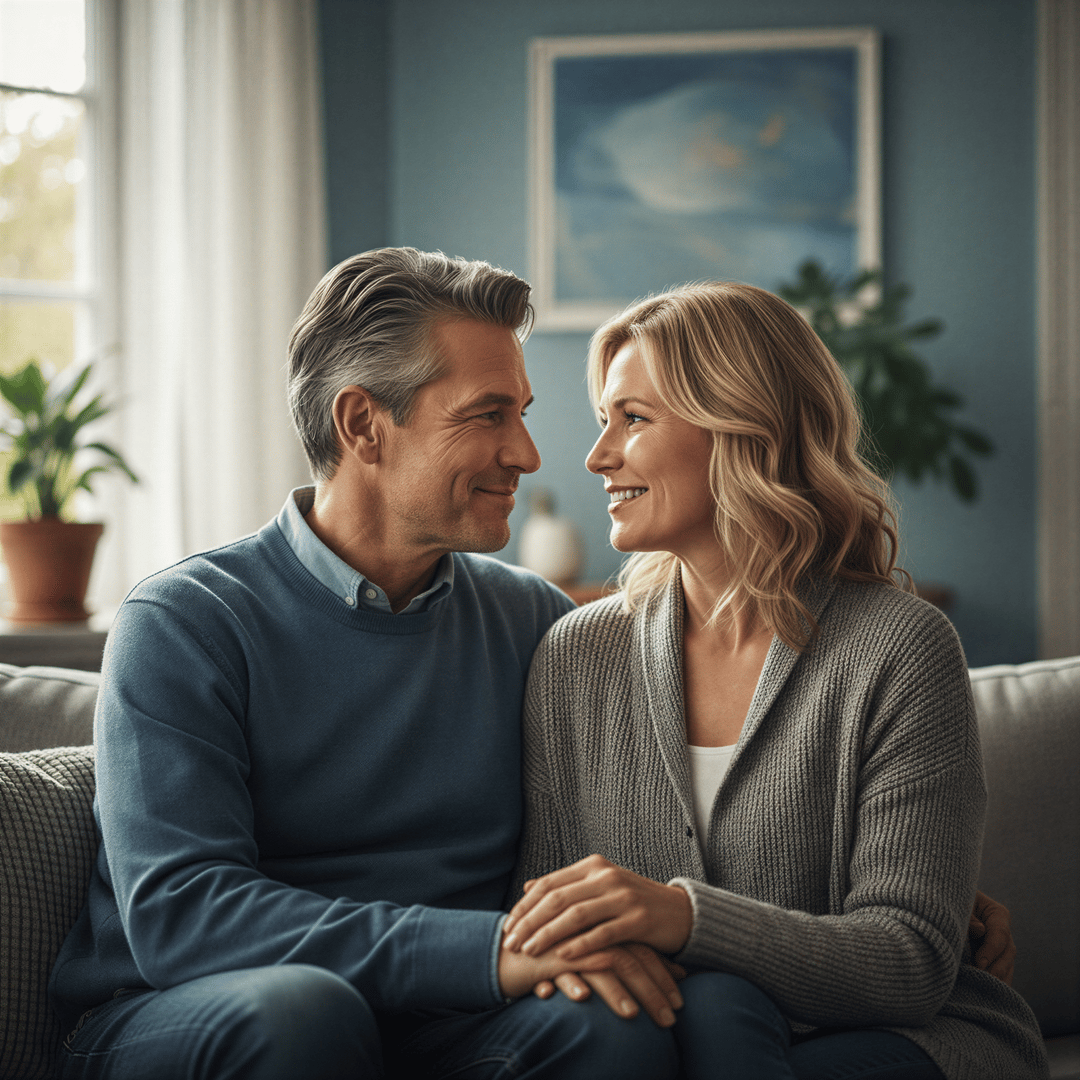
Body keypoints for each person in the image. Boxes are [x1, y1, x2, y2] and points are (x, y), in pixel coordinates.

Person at [47, 248, 685, 1080]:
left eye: (520, 413)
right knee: (305, 1011)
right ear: (362, 425)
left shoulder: (534, 621)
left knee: (616, 1021)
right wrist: (489, 949)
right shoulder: (184, 622)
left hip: (441, 1020)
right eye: (488, 414)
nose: (527, 453)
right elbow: (184, 918)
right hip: (188, 1015)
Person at [501, 282, 1048, 1079]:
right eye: (602, 420)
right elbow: (554, 929)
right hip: (678, 1031)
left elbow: (911, 962)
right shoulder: (575, 658)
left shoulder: (902, 648)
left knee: (727, 1006)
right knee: (721, 1006)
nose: (597, 456)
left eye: (635, 418)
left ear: (741, 428)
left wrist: (683, 918)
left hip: (904, 1041)